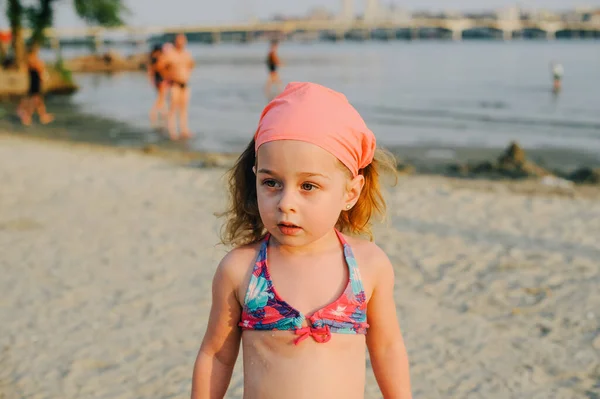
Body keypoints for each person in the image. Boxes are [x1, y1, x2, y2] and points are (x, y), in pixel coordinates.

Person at [191, 82, 412, 398]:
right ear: (254, 177)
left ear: (350, 192)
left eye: (308, 186)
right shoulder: (242, 269)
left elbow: (388, 348)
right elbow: (216, 355)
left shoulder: (368, 265)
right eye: (271, 183)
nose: (285, 202)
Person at [157, 33, 194, 140]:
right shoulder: (170, 54)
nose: (181, 42)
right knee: (173, 109)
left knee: (184, 109)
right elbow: (160, 66)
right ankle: (172, 132)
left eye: (183, 40)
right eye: (180, 40)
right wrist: (166, 77)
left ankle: (184, 130)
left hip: (185, 84)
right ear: (175, 41)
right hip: (174, 84)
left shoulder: (187, 53)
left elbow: (191, 65)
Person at [18, 43, 54, 126]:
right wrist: (44, 76)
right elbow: (41, 69)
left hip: (33, 81)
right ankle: (28, 116)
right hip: (36, 82)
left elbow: (25, 70)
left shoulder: (28, 60)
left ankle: (41, 116)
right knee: (34, 100)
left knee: (37, 100)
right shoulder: (35, 60)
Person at [148, 43, 169, 127]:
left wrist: (151, 80)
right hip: (161, 80)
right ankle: (153, 113)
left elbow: (151, 71)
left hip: (157, 80)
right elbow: (160, 68)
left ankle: (164, 114)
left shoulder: (153, 58)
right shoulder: (158, 58)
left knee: (162, 98)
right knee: (161, 98)